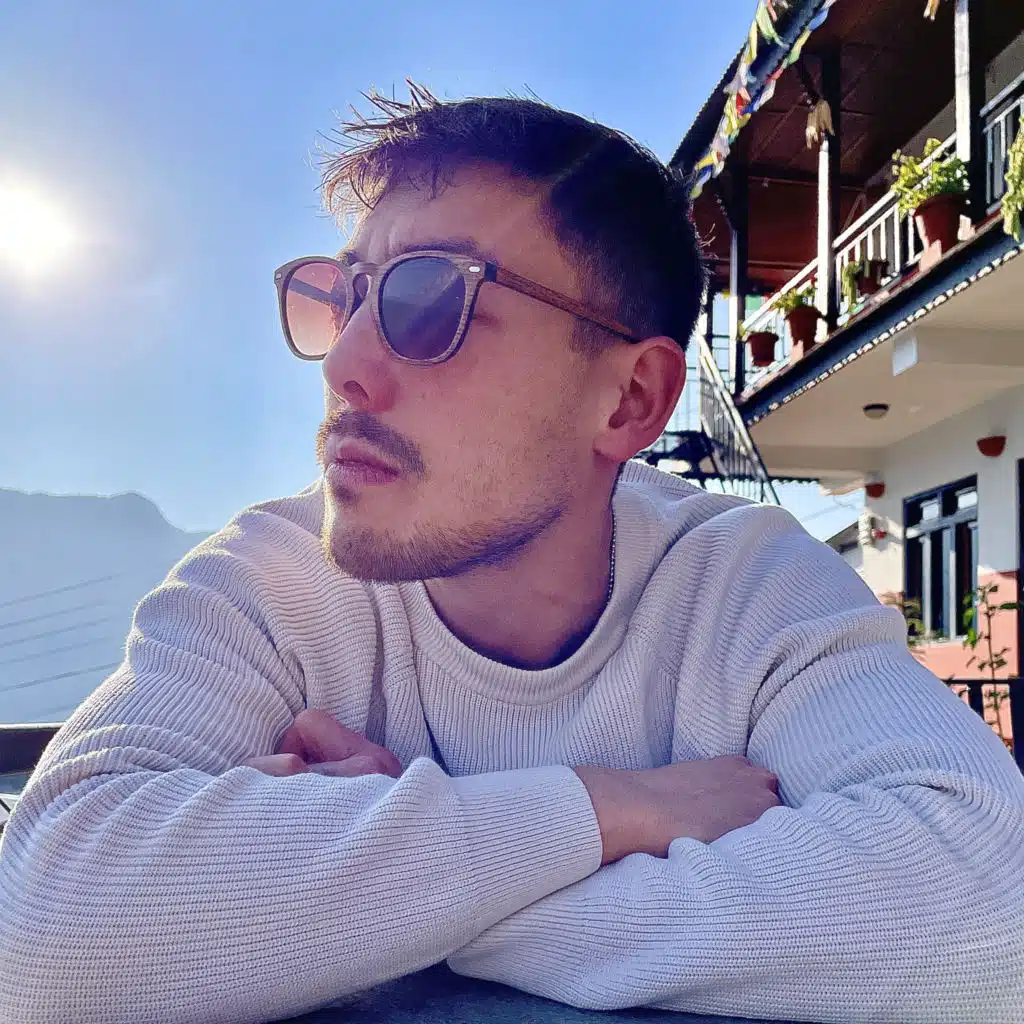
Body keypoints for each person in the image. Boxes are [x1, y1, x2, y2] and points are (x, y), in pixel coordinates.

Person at [1, 85, 1022, 1024]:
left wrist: (384, 900)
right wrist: (609, 809)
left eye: (426, 301)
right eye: (344, 297)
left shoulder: (742, 579)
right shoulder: (268, 580)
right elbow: (43, 928)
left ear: (628, 400)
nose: (346, 364)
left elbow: (991, 902)